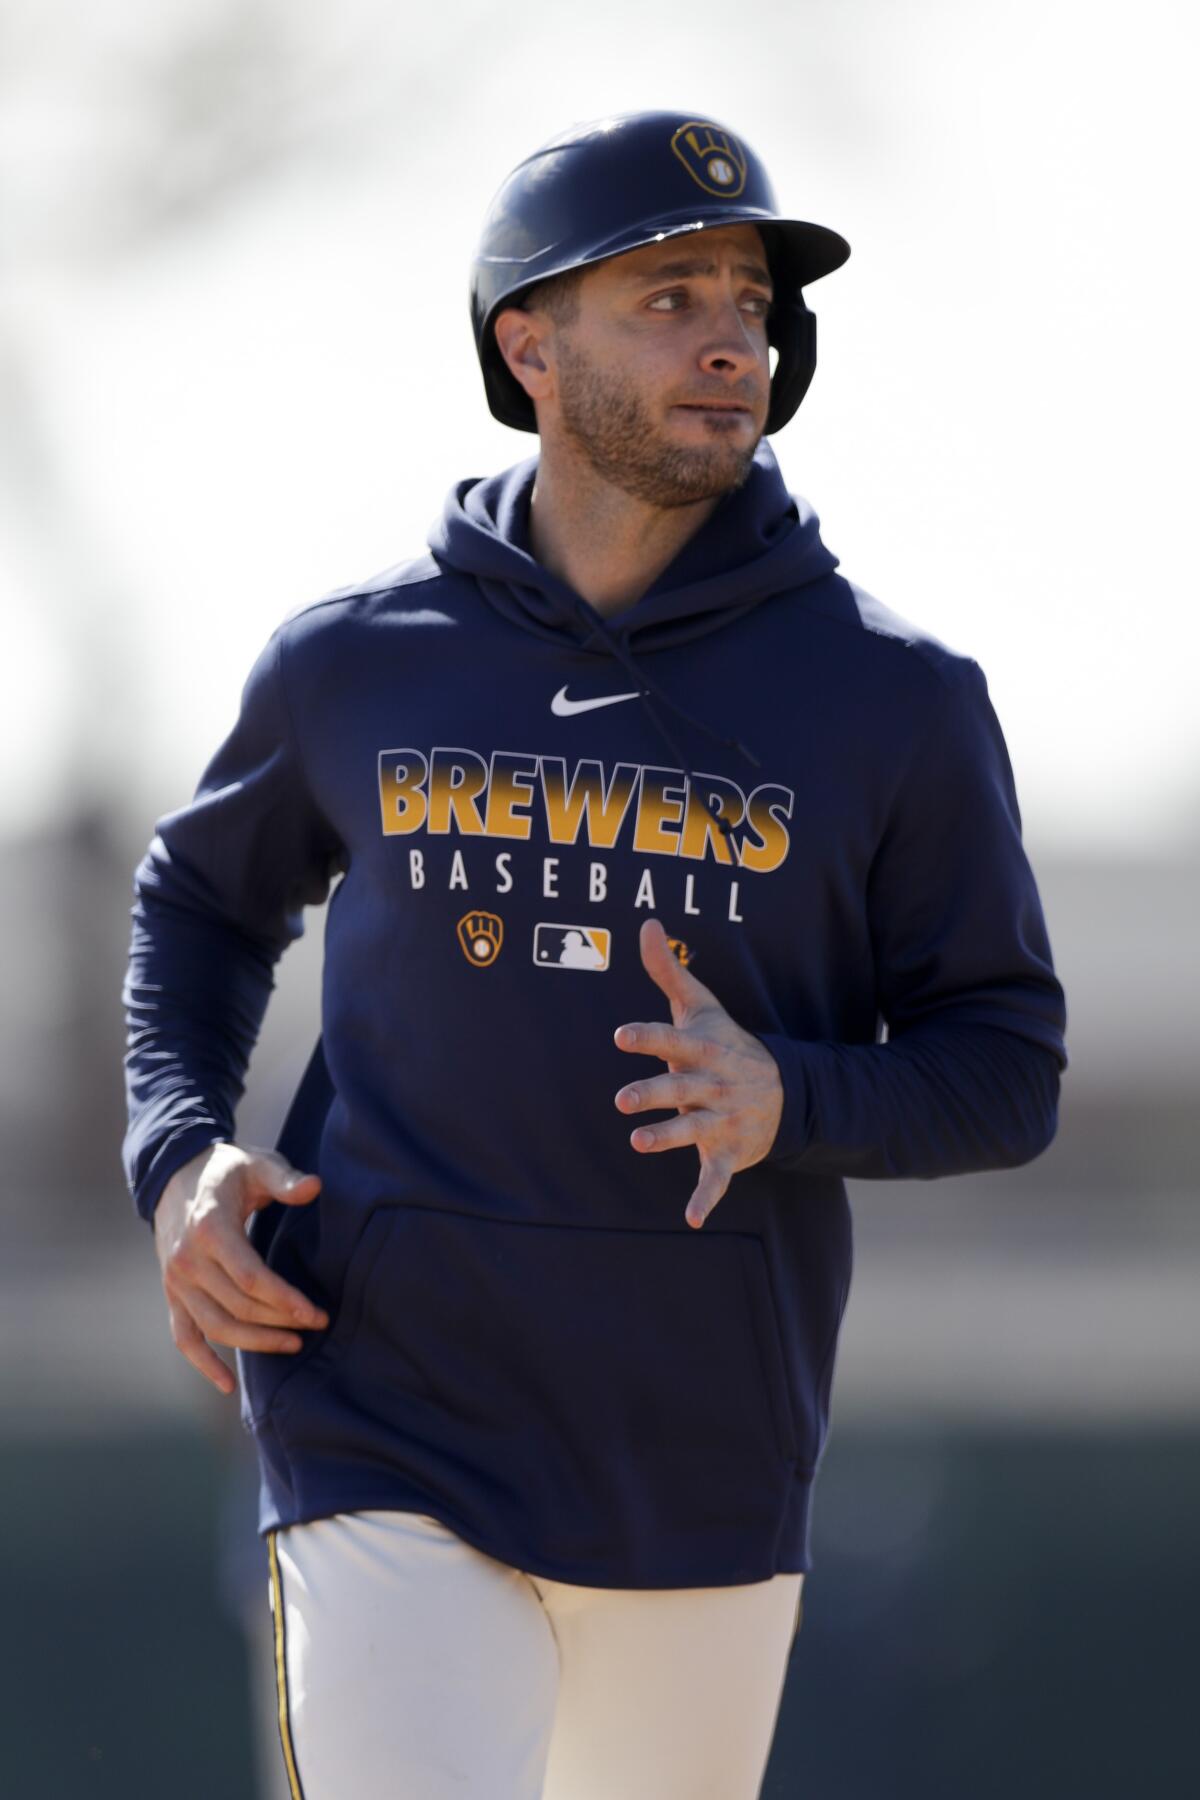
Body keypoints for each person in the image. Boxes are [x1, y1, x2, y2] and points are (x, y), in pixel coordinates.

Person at [122, 110, 1068, 1800]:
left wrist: (794, 1095)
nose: (733, 337)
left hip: (696, 1449)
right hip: (377, 1414)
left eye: (755, 302)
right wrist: (180, 1158)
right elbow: (197, 911)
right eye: (670, 293)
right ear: (528, 345)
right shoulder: (358, 662)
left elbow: (1005, 1067)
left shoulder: (897, 701)